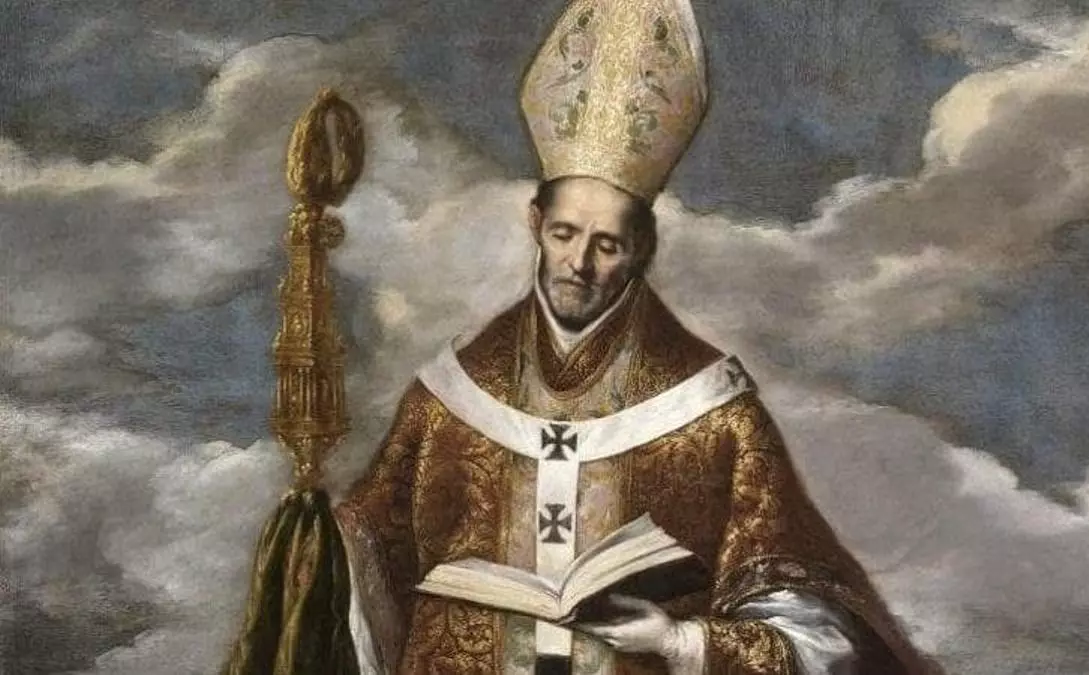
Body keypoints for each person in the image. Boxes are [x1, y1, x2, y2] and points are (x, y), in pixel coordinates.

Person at [332, 0, 941, 673]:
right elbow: (370, 552)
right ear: (536, 224)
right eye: (564, 234)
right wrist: (317, 536)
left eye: (607, 244)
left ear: (641, 249)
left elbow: (815, 622)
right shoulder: (451, 399)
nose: (578, 263)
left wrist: (682, 641)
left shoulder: (714, 415)